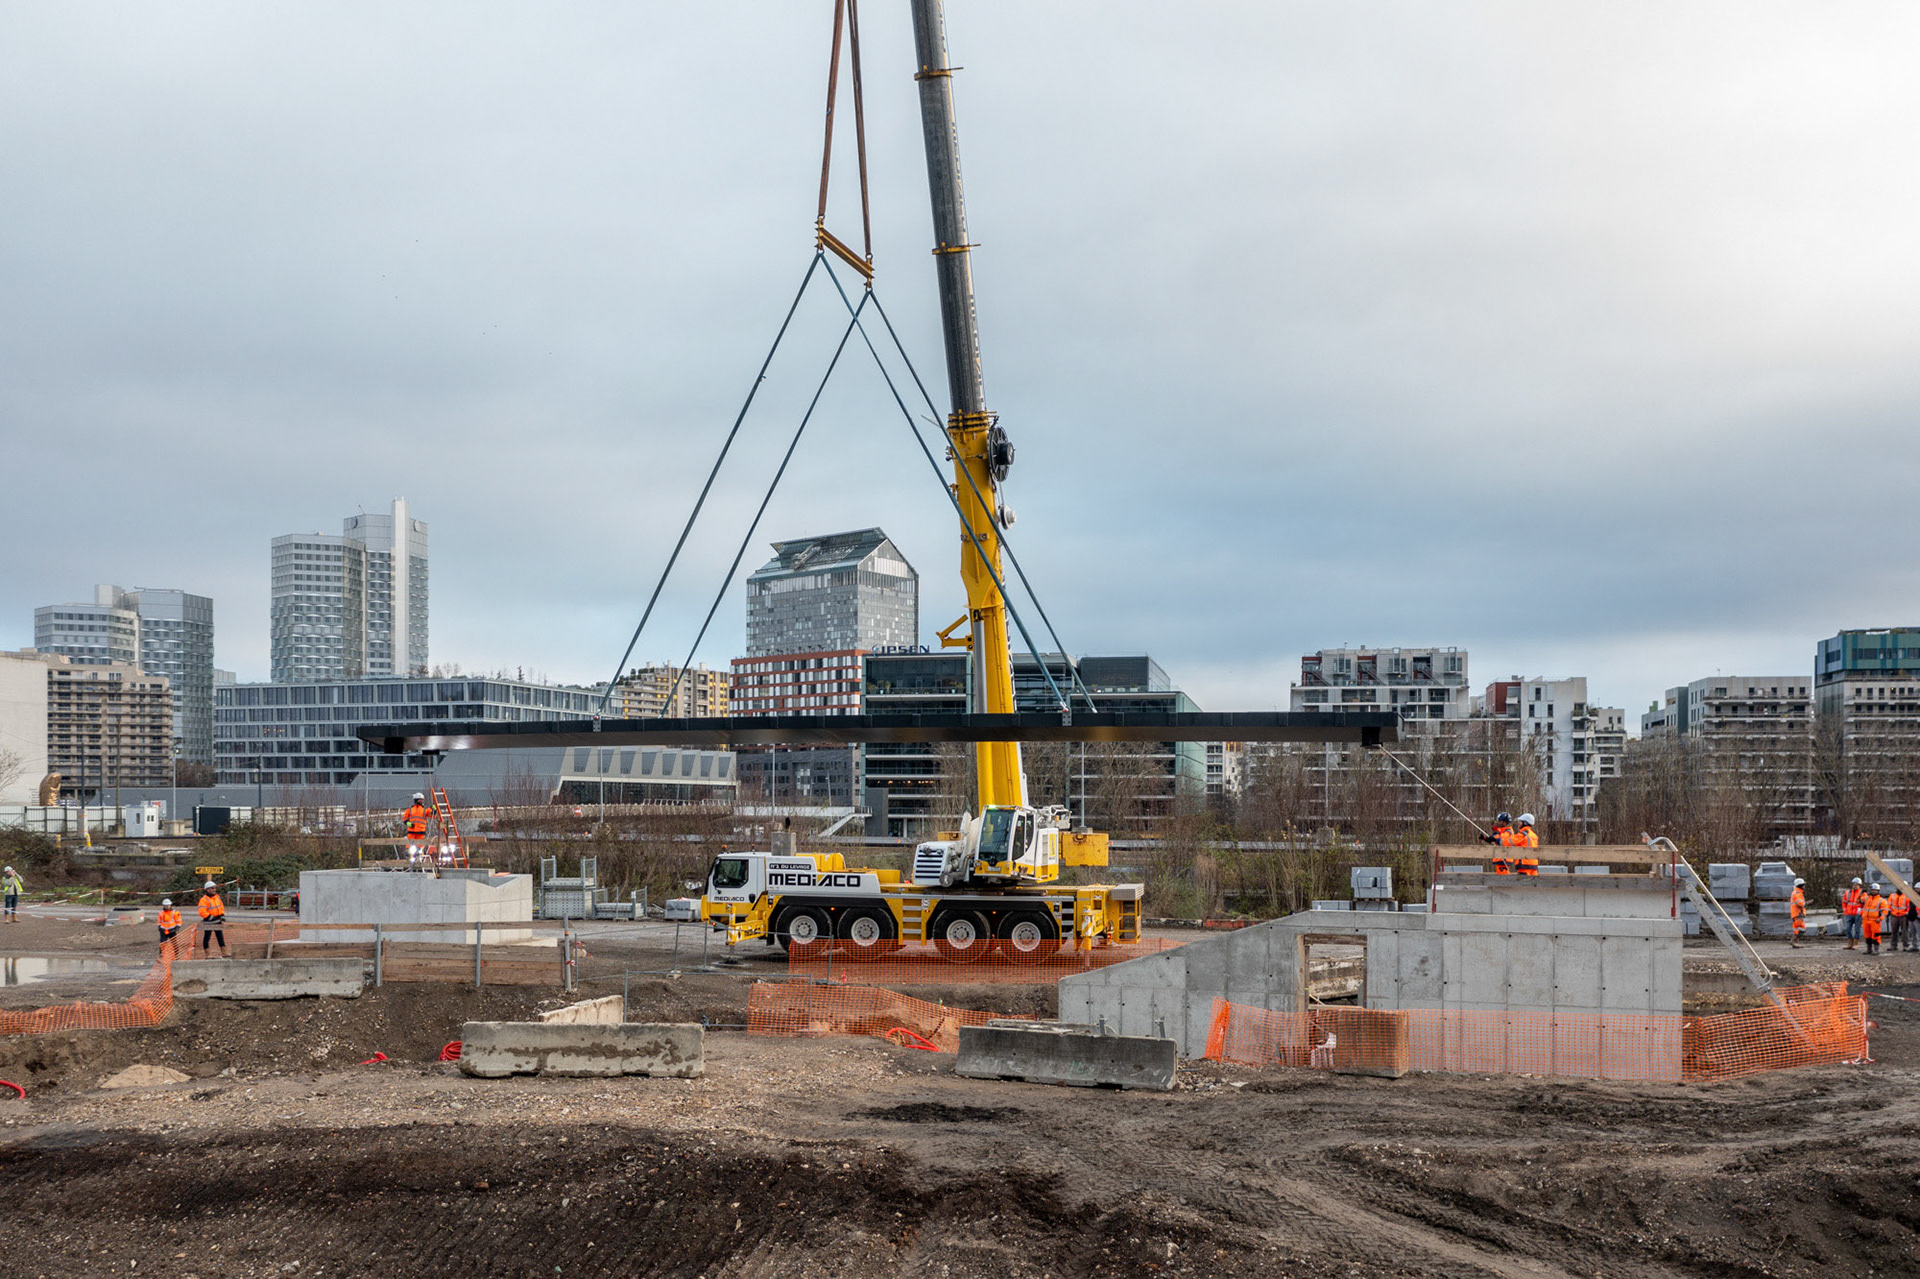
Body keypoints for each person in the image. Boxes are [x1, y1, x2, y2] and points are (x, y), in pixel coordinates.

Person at [197, 880, 228, 958]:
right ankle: (208, 954)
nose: (214, 889)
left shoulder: (217, 897)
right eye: (212, 888)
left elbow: (221, 907)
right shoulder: (204, 900)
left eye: (215, 888)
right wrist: (211, 917)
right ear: (207, 889)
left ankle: (224, 953)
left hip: (217, 920)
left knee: (220, 936)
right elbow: (202, 911)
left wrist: (222, 915)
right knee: (207, 937)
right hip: (209, 922)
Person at [403, 793, 433, 863]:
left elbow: (432, 816)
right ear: (415, 800)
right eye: (419, 800)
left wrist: (434, 810)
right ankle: (409, 861)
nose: (421, 801)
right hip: (411, 832)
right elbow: (404, 818)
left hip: (420, 832)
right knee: (409, 849)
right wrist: (407, 823)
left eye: (421, 800)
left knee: (419, 849)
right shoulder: (410, 809)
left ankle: (420, 861)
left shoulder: (425, 809)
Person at [1862, 884, 1886, 956]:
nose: (1874, 891)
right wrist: (1862, 892)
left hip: (1875, 921)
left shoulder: (1881, 900)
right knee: (1867, 935)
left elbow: (1885, 911)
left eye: (1875, 890)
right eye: (1872, 890)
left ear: (1878, 891)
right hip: (1866, 920)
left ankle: (1876, 950)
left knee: (1876, 935)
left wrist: (1880, 918)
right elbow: (1859, 899)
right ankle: (1869, 949)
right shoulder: (1867, 898)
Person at [1841, 878, 1865, 949]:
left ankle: (1855, 944)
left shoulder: (1862, 893)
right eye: (1854, 884)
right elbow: (1844, 902)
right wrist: (1845, 911)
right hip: (1849, 914)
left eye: (1856, 885)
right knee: (1847, 929)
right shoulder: (1848, 893)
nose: (1855, 886)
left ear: (1859, 885)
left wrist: (1861, 912)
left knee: (1857, 930)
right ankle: (1850, 943)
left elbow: (1865, 903)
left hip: (1858, 914)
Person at [1890, 886, 1912, 953]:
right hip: (1894, 915)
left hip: (1903, 916)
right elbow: (1888, 904)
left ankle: (1906, 945)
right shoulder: (1892, 895)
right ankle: (1893, 945)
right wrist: (1889, 912)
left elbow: (1909, 906)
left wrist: (1907, 913)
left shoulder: (1907, 896)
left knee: (1905, 931)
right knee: (1894, 931)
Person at [1789, 878, 1807, 948]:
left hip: (1796, 913)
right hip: (1798, 913)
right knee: (1801, 929)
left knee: (1797, 929)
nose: (1804, 886)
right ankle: (1794, 941)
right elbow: (1800, 904)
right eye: (1803, 885)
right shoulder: (1798, 893)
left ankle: (1796, 942)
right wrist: (1806, 903)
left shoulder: (1796, 892)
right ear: (1800, 885)